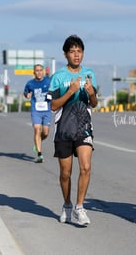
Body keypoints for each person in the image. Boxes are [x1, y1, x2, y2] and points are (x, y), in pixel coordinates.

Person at [48, 35, 98, 226]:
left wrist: (92, 93)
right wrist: (70, 91)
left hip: (83, 126)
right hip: (64, 128)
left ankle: (79, 207)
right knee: (65, 173)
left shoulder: (89, 73)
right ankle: (67, 205)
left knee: (85, 166)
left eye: (79, 51)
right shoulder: (58, 77)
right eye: (72, 51)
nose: (76, 55)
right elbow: (53, 106)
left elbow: (93, 103)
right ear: (65, 54)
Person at [23, 64, 52, 163]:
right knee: (36, 129)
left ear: (43, 71)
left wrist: (52, 94)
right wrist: (27, 95)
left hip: (47, 110)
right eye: (37, 70)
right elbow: (25, 92)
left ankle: (37, 143)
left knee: (45, 133)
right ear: (34, 72)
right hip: (36, 110)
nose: (39, 72)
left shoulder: (48, 81)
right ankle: (39, 155)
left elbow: (55, 91)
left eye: (40, 70)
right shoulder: (30, 83)